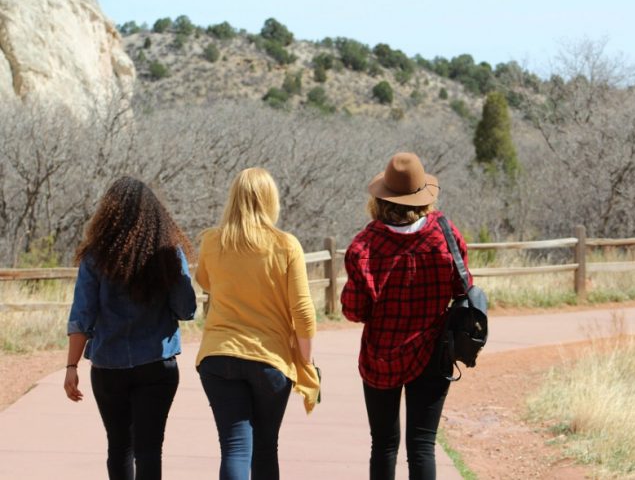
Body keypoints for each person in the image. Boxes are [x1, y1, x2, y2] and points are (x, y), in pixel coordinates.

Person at [341, 152, 472, 480]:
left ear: (382, 198)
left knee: (383, 444)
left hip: (380, 355)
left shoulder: (364, 246)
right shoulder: (444, 234)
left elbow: (354, 311)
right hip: (433, 351)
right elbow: (464, 285)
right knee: (422, 444)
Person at [63, 176, 197, 480]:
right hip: (157, 364)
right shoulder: (168, 253)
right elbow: (186, 309)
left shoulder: (95, 256)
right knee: (149, 449)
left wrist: (71, 365)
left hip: (108, 366)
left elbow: (82, 314)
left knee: (119, 446)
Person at [195, 167, 319, 480]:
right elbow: (303, 310)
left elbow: (205, 281)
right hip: (270, 360)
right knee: (265, 446)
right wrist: (305, 361)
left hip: (218, 355)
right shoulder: (286, 244)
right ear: (270, 200)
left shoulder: (212, 241)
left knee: (234, 447)